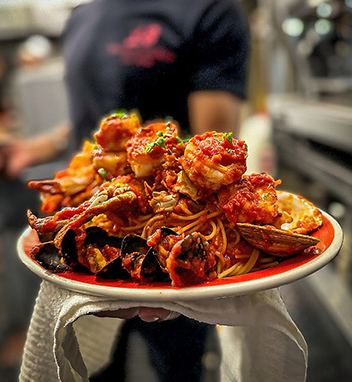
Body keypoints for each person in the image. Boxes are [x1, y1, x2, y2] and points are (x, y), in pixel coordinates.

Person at [1, 0, 250, 380]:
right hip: (83, 238)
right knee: (90, 367)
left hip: (172, 244)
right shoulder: (82, 15)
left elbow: (214, 145)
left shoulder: (210, 10)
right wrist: (34, 148)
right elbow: (90, 122)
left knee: (178, 367)